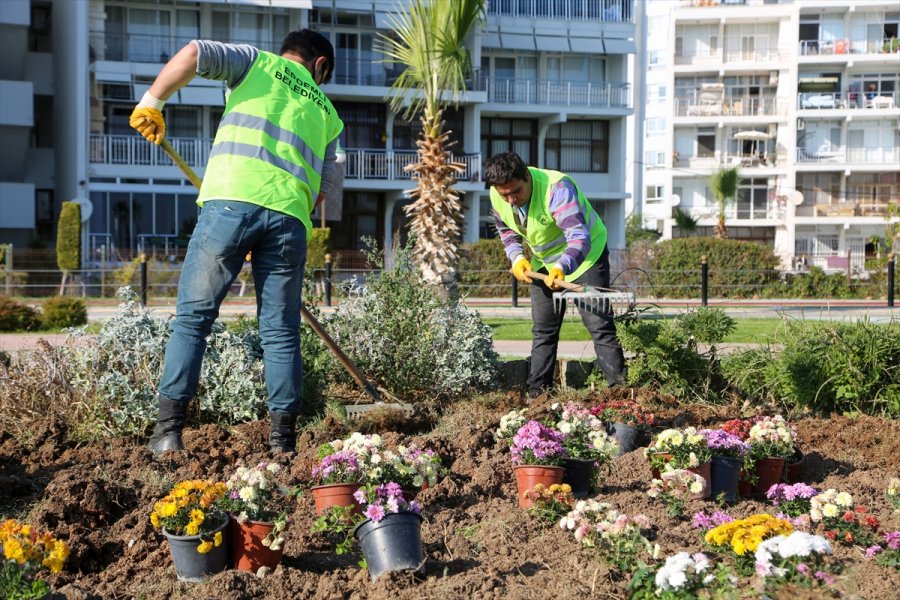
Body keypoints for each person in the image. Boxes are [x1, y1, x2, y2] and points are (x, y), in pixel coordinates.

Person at [129, 29, 343, 455]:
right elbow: (324, 189)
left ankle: (168, 434)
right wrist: (273, 216)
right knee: (280, 334)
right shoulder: (329, 114)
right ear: (320, 65)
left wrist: (151, 102)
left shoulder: (255, 61)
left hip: (230, 206)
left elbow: (194, 51)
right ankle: (282, 443)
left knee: (193, 320)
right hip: (289, 221)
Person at [484, 152, 625, 397]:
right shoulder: (498, 195)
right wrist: (516, 258)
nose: (511, 200)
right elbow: (506, 231)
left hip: (586, 257)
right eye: (504, 195)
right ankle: (538, 393)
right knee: (543, 328)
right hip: (544, 262)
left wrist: (562, 267)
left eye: (516, 191)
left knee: (599, 325)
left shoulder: (557, 189)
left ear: (526, 176)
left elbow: (579, 238)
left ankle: (620, 392)